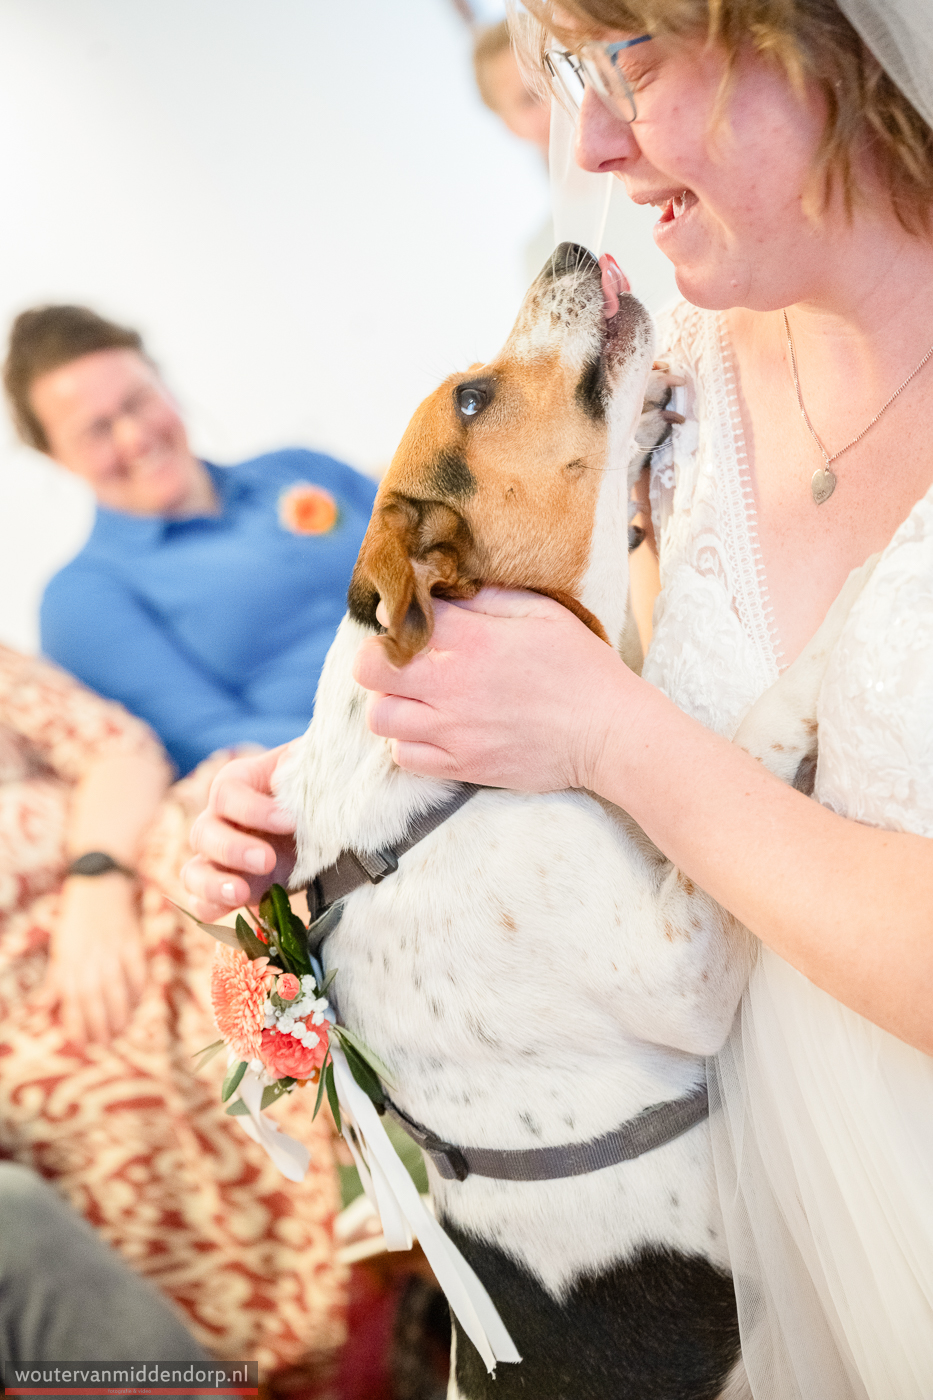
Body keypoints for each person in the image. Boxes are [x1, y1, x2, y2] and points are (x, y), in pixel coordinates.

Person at [183, 0, 933, 1394]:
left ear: (831, 37)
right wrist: (333, 807)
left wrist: (606, 730)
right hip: (714, 1225)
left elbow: (624, 725)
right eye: (570, 72)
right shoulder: (673, 368)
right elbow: (601, 674)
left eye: (630, 56)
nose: (582, 138)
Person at [0, 645, 346, 1371]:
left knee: (247, 875)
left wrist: (96, 886)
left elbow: (117, 749)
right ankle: (309, 1334)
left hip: (115, 869)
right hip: (23, 1014)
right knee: (90, 1103)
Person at [4, 305, 377, 776]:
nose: (134, 437)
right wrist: (391, 739)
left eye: (138, 401)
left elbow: (450, 554)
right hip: (365, 770)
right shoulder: (83, 597)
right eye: (96, 430)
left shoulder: (300, 466)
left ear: (162, 383)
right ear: (54, 457)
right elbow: (215, 741)